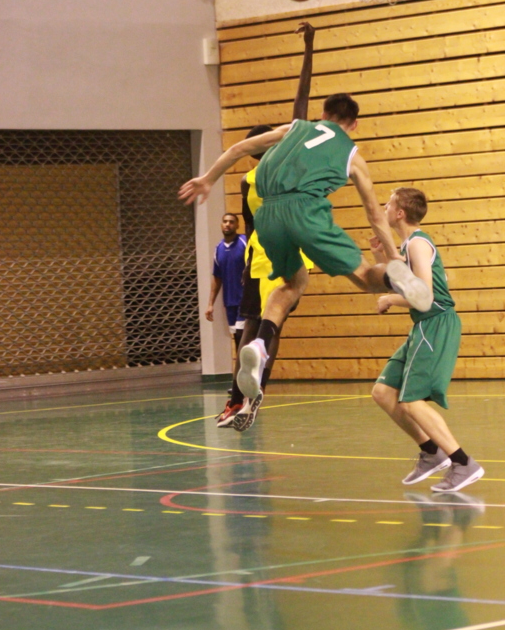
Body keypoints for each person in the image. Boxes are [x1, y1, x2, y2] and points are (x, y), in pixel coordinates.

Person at [179, 95, 432, 411]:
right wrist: (393, 256)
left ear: (323, 114)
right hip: (306, 211)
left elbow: (238, 149)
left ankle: (260, 345)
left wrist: (208, 179)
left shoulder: (294, 128)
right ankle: (396, 275)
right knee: (367, 277)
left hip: (267, 217)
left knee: (292, 284)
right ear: (354, 124)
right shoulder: (352, 155)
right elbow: (374, 213)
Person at [217, 22, 316, 430]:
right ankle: (251, 398)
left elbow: (249, 226)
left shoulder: (247, 179)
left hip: (257, 256)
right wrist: (309, 49)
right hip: (284, 254)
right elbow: (300, 108)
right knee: (268, 331)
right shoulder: (286, 167)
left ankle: (234, 400)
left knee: (251, 327)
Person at [371, 187, 484, 493]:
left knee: (411, 401)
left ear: (399, 213)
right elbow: (404, 284)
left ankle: (463, 463)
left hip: (436, 324)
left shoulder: (418, 244)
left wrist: (390, 300)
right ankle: (431, 452)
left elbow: (425, 296)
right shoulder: (407, 245)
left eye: (389, 203)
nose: (384, 206)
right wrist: (381, 256)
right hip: (423, 325)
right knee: (383, 391)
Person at [205, 212, 246, 350]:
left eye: (231, 222)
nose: (228, 224)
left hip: (246, 300)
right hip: (230, 302)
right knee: (237, 338)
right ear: (221, 225)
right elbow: (217, 278)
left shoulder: (245, 242)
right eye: (225, 221)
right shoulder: (218, 249)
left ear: (237, 225)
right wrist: (210, 304)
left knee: (242, 335)